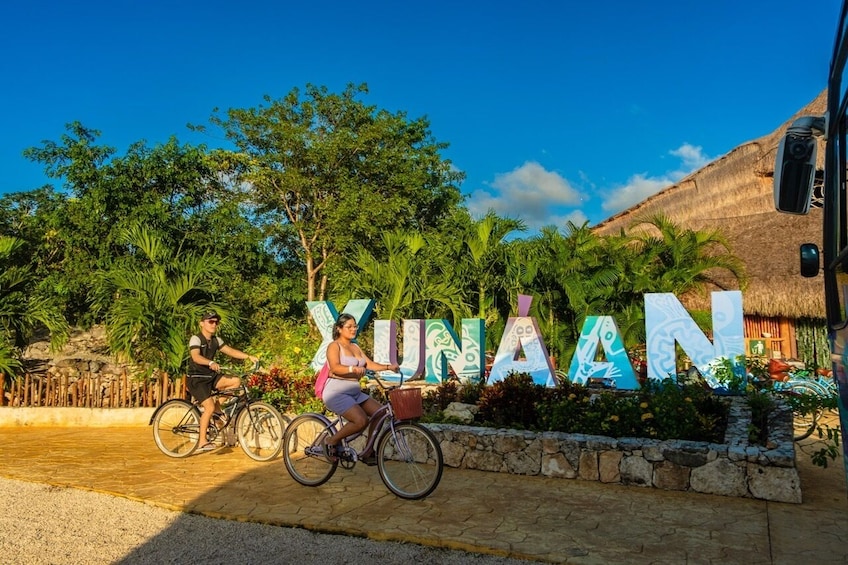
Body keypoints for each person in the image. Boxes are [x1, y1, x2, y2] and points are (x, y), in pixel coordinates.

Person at [322, 313, 400, 460]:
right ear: (339, 329)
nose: (353, 329)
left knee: (381, 413)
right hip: (336, 393)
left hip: (354, 393)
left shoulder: (355, 347)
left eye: (355, 326)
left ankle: (368, 450)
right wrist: (352, 369)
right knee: (361, 420)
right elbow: (335, 368)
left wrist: (389, 367)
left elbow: (369, 364)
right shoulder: (334, 346)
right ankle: (330, 440)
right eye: (349, 326)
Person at [187, 310, 259, 452]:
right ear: (202, 323)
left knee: (236, 381)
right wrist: (210, 363)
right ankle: (202, 441)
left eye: (216, 322)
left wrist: (248, 356)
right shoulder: (196, 339)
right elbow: (195, 357)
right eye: (210, 321)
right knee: (209, 407)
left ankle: (217, 407)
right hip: (197, 379)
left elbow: (230, 351)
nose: (214, 324)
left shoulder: (216, 340)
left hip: (211, 377)